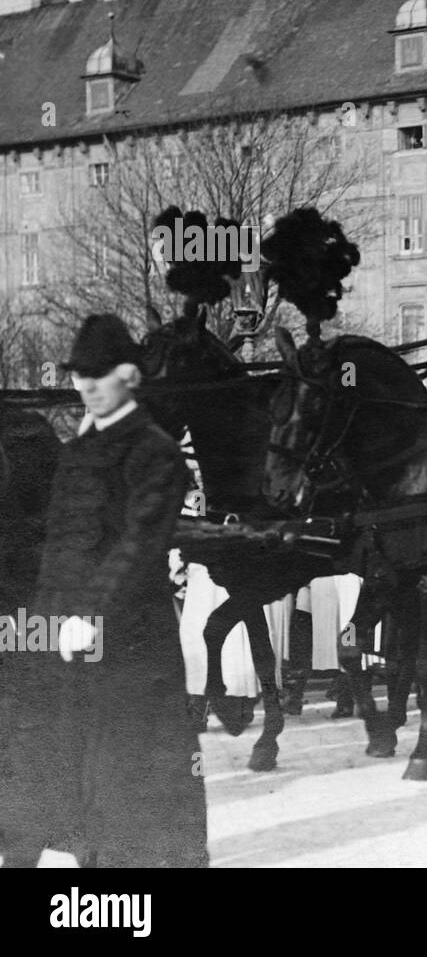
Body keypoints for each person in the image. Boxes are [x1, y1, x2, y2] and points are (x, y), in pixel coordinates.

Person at [2, 315, 205, 867]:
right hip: (59, 633)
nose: (87, 385)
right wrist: (42, 622)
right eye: (79, 375)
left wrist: (91, 614)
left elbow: (139, 543)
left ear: (131, 376)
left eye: (99, 374)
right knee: (54, 755)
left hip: (130, 640)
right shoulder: (74, 450)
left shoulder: (154, 451)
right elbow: (56, 547)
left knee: (129, 766)